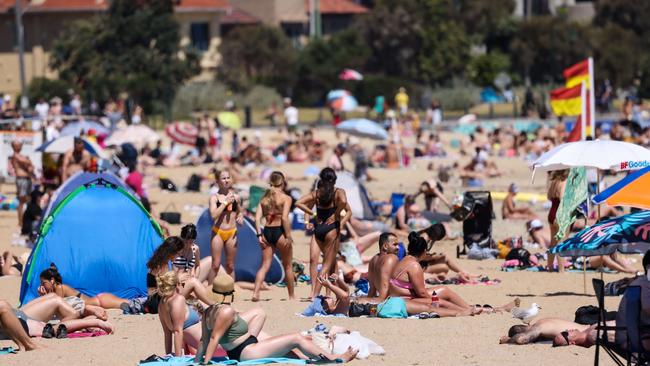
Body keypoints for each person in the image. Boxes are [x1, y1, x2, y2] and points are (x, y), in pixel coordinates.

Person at [194, 293, 358, 364]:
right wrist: (206, 363)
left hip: (242, 349)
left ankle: (319, 362)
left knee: (292, 352)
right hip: (247, 351)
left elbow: (205, 340)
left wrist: (197, 361)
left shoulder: (208, 314)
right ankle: (334, 359)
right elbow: (214, 338)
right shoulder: (226, 311)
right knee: (296, 338)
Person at [388, 232, 515, 315]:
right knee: (444, 301)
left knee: (445, 291)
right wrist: (438, 297)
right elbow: (421, 293)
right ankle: (479, 310)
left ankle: (482, 309)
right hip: (406, 300)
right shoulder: (414, 266)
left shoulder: (405, 260)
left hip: (404, 297)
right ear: (423, 251)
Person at [296, 168, 351, 297]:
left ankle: (323, 293)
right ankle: (315, 291)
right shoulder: (318, 193)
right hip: (320, 229)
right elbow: (304, 206)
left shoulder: (337, 192)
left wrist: (339, 219)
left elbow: (347, 208)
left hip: (332, 229)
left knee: (329, 263)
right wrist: (311, 216)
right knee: (316, 260)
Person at [253, 171, 294, 302]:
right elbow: (285, 218)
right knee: (288, 266)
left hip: (267, 232)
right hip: (280, 232)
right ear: (282, 182)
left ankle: (255, 293)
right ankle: (291, 296)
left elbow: (257, 218)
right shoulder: (286, 198)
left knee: (264, 265)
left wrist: (259, 234)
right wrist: (288, 236)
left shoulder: (264, 198)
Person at [38, 263, 128, 310]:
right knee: (131, 304)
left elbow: (56, 308)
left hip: (100, 301)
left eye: (43, 283)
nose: (42, 285)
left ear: (52, 280)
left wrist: (43, 297)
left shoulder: (59, 288)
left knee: (132, 304)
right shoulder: (57, 289)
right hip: (99, 301)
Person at [156, 271, 203, 356]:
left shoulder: (161, 304)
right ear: (177, 285)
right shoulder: (178, 299)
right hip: (205, 344)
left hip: (195, 346)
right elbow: (177, 331)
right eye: (183, 284)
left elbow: (167, 333)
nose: (183, 287)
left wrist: (168, 355)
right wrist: (178, 359)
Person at [208, 170, 244, 281]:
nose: (226, 180)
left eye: (228, 177)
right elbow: (213, 215)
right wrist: (225, 203)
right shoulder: (214, 198)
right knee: (215, 265)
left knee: (230, 265)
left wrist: (240, 216)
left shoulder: (236, 197)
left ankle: (231, 291)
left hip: (232, 233)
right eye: (223, 178)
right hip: (218, 232)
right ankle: (209, 291)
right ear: (218, 181)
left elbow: (240, 211)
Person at [499, 317, 594, 345]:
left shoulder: (538, 327)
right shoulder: (542, 320)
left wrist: (507, 340)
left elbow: (521, 339)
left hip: (591, 332)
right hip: (592, 325)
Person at [547, 170, 569, 272]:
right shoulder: (564, 182)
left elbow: (548, 197)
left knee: (553, 242)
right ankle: (561, 269)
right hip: (559, 214)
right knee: (561, 242)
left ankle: (550, 267)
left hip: (551, 212)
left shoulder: (553, 182)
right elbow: (562, 197)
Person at [367, 233, 400, 300]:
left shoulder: (373, 260)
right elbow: (385, 288)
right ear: (385, 246)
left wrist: (368, 301)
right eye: (395, 244)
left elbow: (372, 289)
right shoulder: (391, 258)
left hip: (383, 297)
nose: (398, 248)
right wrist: (380, 301)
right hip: (390, 299)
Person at [11, 141, 35, 229]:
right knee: (21, 201)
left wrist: (30, 164)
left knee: (29, 200)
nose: (21, 146)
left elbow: (30, 167)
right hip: (21, 180)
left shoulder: (21, 156)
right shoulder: (15, 155)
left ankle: (26, 220)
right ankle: (20, 222)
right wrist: (29, 162)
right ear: (14, 146)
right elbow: (27, 162)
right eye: (19, 145)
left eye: (21, 145)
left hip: (27, 179)